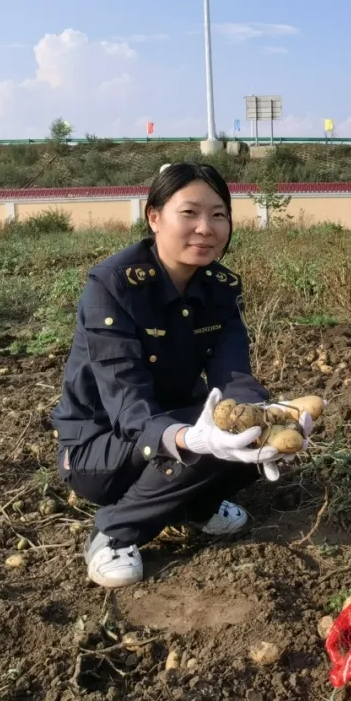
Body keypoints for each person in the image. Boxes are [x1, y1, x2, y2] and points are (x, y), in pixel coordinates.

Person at [51, 162, 311, 589]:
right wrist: (187, 437)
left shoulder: (218, 289)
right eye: (189, 213)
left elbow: (233, 373)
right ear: (154, 217)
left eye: (219, 214)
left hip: (172, 424)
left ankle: (195, 508)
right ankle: (115, 531)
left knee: (253, 435)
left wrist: (267, 415)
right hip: (101, 448)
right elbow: (127, 405)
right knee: (204, 440)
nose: (206, 228)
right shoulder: (113, 287)